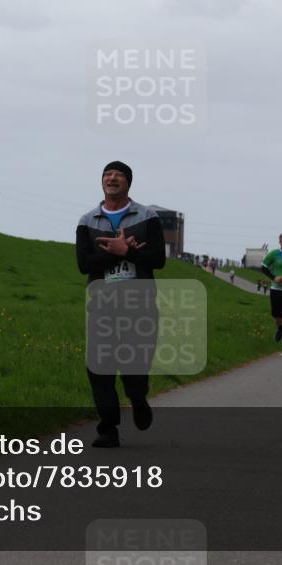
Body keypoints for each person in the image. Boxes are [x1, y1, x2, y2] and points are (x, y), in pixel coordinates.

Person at [76, 161, 166, 448]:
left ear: (128, 182)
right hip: (102, 302)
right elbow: (84, 264)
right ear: (102, 181)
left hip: (139, 301)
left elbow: (157, 260)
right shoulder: (86, 221)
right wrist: (121, 253)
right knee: (98, 365)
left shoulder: (148, 217)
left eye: (119, 175)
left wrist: (124, 250)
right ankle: (108, 428)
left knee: (134, 364)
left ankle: (137, 397)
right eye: (107, 174)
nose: (112, 178)